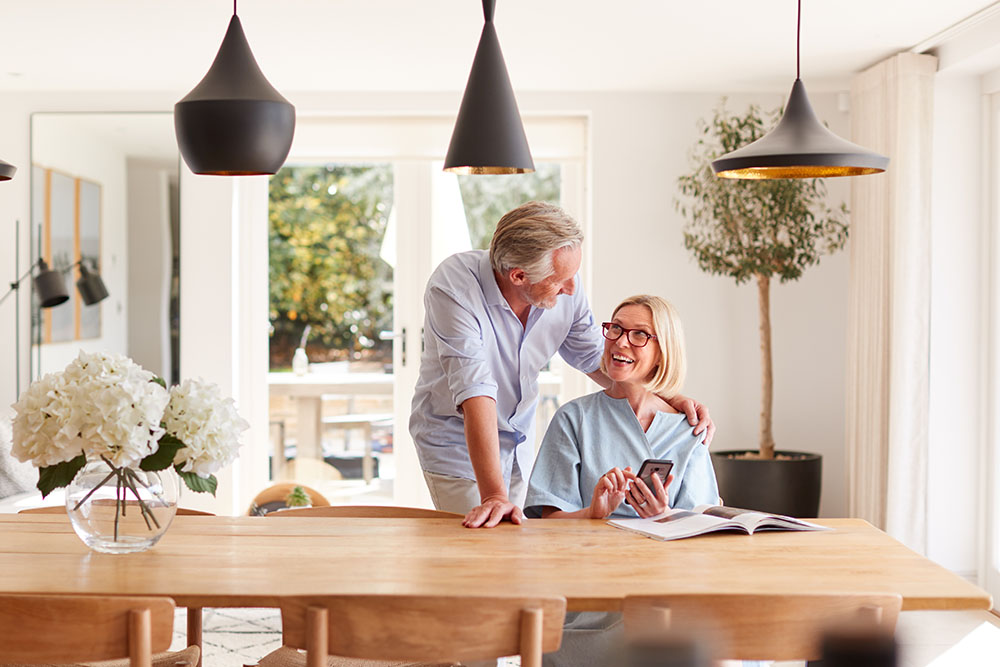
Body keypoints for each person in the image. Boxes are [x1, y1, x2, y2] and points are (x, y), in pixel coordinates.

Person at [409, 201, 715, 528]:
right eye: (560, 280)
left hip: (517, 439)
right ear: (519, 275)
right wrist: (494, 496)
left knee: (515, 549)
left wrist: (666, 396)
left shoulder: (564, 281)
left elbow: (598, 357)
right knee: (482, 542)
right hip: (458, 444)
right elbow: (476, 391)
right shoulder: (455, 287)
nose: (571, 288)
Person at [523, 294, 720, 666]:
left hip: (666, 589)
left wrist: (664, 517)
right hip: (589, 594)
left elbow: (705, 533)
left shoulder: (688, 431)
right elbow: (543, 526)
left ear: (663, 352)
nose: (620, 341)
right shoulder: (573, 419)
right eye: (615, 328)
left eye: (639, 334)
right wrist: (593, 514)